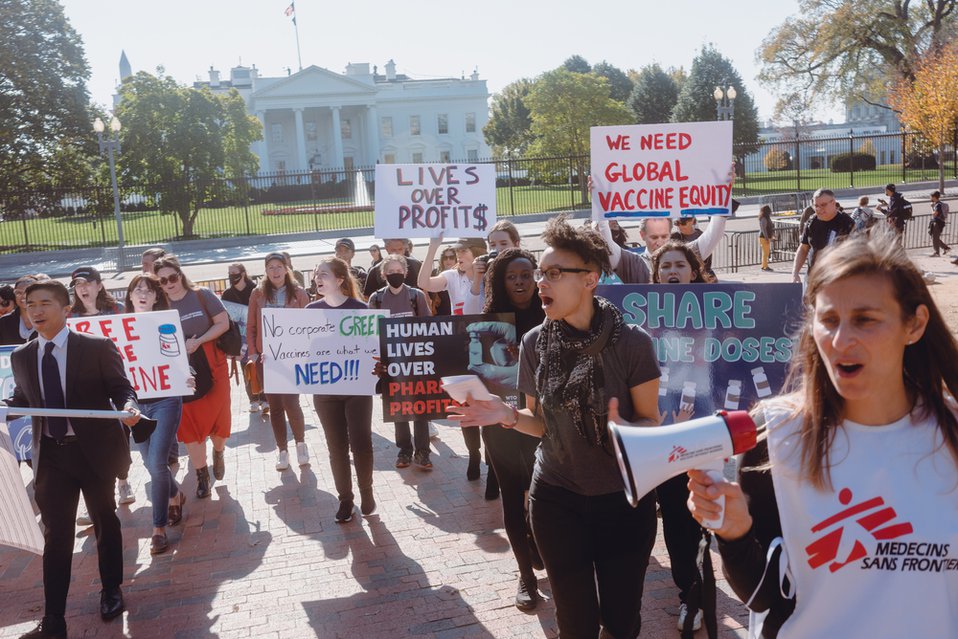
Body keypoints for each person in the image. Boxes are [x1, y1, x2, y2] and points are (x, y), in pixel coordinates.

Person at [688, 230, 958, 638]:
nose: (842, 340)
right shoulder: (775, 435)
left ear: (914, 324)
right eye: (829, 320)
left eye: (865, 320)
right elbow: (765, 598)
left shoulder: (950, 434)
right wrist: (734, 533)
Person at [449, 216, 661, 638]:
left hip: (624, 502)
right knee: (575, 624)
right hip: (556, 500)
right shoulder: (534, 343)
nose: (540, 282)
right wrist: (507, 415)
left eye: (554, 273)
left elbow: (650, 420)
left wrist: (628, 430)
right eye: (540, 272)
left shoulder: (633, 342)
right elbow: (541, 424)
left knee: (621, 622)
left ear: (590, 280)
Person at [6, 280, 141, 639]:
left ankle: (111, 589)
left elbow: (121, 388)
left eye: (44, 303)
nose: (36, 311)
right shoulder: (22, 356)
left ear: (65, 309)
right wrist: (5, 409)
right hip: (50, 456)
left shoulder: (95, 347)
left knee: (104, 520)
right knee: (56, 535)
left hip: (93, 451)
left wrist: (129, 407)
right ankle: (54, 619)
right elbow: (22, 398)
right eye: (30, 304)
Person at [479, 247, 546, 610]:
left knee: (542, 493)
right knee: (511, 495)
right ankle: (526, 576)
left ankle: (538, 540)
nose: (520, 282)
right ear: (500, 282)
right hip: (500, 423)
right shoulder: (484, 324)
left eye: (526, 275)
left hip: (544, 422)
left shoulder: (554, 316)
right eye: (511, 276)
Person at [649, 240, 709, 632]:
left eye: (680, 265)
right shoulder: (643, 317)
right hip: (664, 429)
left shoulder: (716, 310)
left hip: (706, 425)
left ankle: (704, 584)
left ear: (693, 271)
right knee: (674, 513)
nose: (673, 271)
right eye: (665, 266)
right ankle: (689, 591)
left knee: (704, 512)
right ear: (656, 275)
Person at [154, 256, 231, 499]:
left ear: (180, 274)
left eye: (172, 277)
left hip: (213, 363)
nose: (169, 283)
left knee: (220, 421)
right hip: (181, 370)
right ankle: (202, 476)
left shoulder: (201, 295)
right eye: (163, 281)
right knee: (189, 424)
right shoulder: (160, 306)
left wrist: (199, 341)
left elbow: (223, 323)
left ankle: (218, 451)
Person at [306, 257, 375, 523]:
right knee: (336, 447)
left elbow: (374, 346)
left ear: (339, 279)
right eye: (316, 275)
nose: (317, 279)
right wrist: (276, 359)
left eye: (323, 274)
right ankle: (345, 500)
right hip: (325, 391)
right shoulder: (310, 311)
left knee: (361, 442)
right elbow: (298, 349)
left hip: (357, 388)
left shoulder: (360, 309)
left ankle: (366, 491)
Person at [124, 274, 187, 555]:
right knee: (152, 464)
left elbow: (179, 361)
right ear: (129, 295)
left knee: (157, 462)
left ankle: (158, 529)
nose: (142, 294)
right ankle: (175, 494)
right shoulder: (119, 329)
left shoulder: (166, 324)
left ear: (156, 297)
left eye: (149, 291)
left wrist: (187, 375)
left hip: (165, 400)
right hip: (136, 405)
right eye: (138, 290)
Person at [367, 254, 434, 471]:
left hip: (416, 359)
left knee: (421, 408)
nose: (394, 274)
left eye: (398, 271)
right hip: (390, 362)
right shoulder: (376, 299)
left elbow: (428, 326)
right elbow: (370, 332)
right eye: (390, 271)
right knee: (398, 408)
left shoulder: (416, 295)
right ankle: (404, 450)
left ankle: (423, 452)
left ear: (405, 273)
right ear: (383, 274)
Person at [246, 253, 311, 471]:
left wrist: (304, 353)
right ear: (265, 270)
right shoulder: (258, 293)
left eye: (279, 266)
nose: (275, 271)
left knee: (291, 403)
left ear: (286, 268)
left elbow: (308, 325)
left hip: (291, 357)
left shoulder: (299, 293)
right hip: (267, 358)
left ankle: (300, 444)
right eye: (270, 267)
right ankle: (282, 450)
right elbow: (251, 325)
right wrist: (253, 352)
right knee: (274, 406)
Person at [221, 263, 265, 412]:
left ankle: (265, 399)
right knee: (246, 367)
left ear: (243, 273)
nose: (231, 276)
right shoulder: (227, 294)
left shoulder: (256, 290)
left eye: (234, 273)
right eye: (229, 273)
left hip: (256, 334)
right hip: (239, 337)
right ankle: (253, 399)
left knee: (261, 365)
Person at [791, 189, 854, 283]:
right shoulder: (812, 222)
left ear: (833, 203)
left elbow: (856, 253)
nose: (819, 209)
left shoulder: (847, 223)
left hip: (838, 279)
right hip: (813, 278)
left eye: (823, 205)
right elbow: (803, 248)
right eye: (816, 206)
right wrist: (795, 272)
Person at [0, 275, 40, 344]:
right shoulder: (3, 322)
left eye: (28, 292)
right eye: (18, 293)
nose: (23, 296)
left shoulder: (49, 320)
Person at [929, 190, 950, 257]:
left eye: (931, 197)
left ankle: (937, 252)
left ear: (934, 197)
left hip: (937, 223)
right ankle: (945, 248)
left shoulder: (938, 205)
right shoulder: (939, 204)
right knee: (935, 237)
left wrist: (932, 207)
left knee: (935, 237)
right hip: (939, 222)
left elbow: (935, 214)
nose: (930, 198)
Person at [758, 205, 776, 272]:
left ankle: (764, 266)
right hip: (764, 237)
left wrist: (772, 235)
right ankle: (765, 266)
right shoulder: (764, 218)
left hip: (765, 236)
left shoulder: (765, 218)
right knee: (765, 253)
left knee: (766, 252)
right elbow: (764, 229)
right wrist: (766, 238)